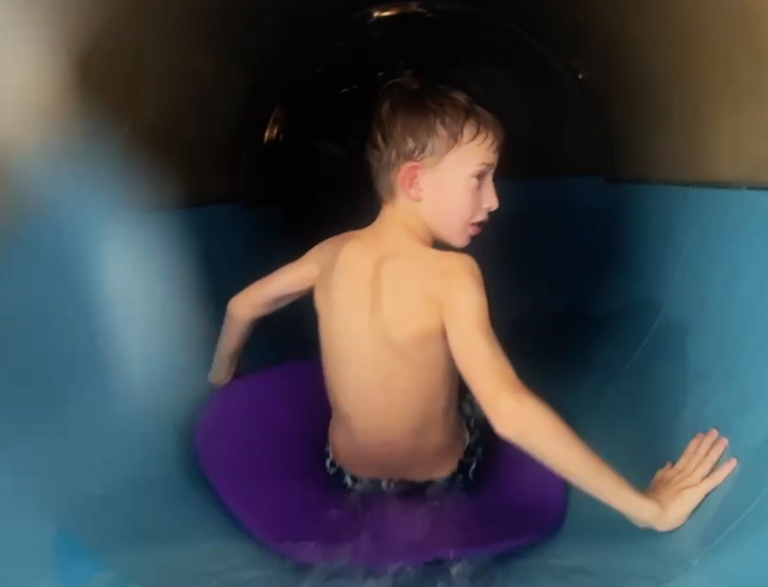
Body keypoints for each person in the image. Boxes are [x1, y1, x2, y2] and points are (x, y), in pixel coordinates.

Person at [209, 77, 736, 530]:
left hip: (345, 474)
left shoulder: (329, 255)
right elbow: (509, 412)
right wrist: (649, 509)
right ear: (414, 180)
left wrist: (222, 381)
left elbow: (240, 307)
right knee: (478, 399)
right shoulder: (451, 274)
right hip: (442, 482)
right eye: (479, 177)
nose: (494, 199)